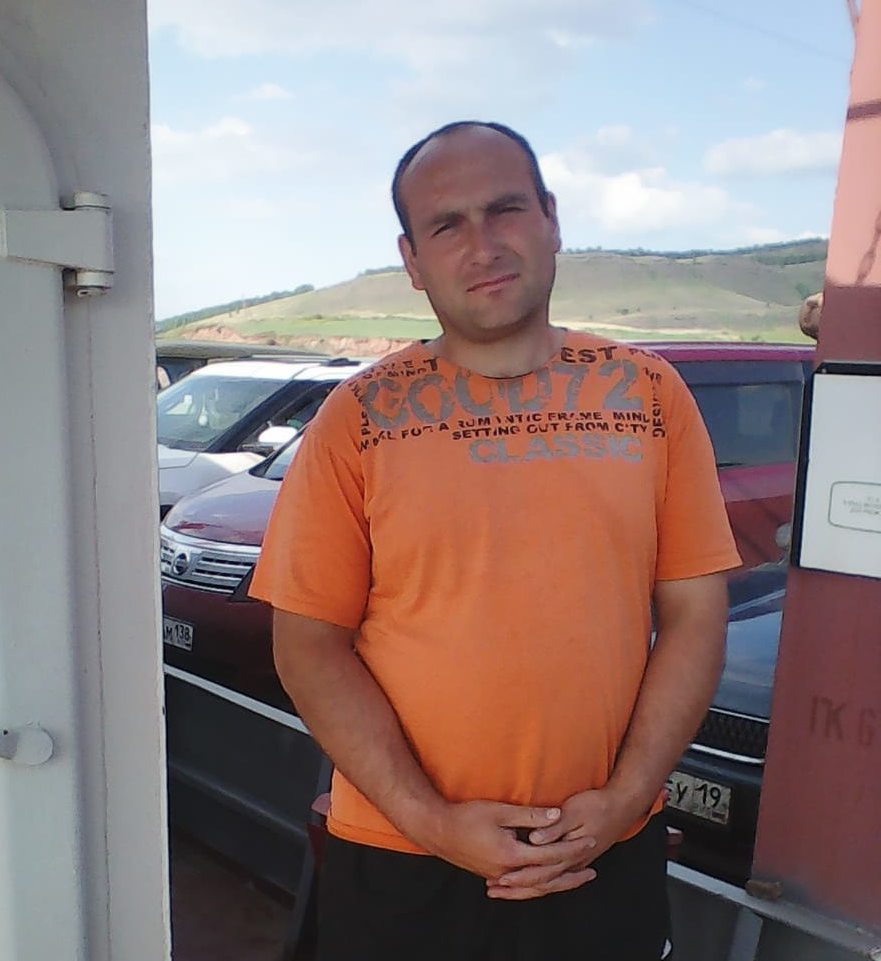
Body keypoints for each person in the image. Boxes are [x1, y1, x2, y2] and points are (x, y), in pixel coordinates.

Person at [249, 121, 740, 960]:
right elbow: (308, 645)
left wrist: (627, 798)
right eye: (447, 225)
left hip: (604, 849)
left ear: (551, 219)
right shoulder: (355, 419)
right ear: (412, 260)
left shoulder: (650, 396)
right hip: (405, 858)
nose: (483, 245)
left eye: (505, 209)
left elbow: (695, 615)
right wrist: (431, 820)